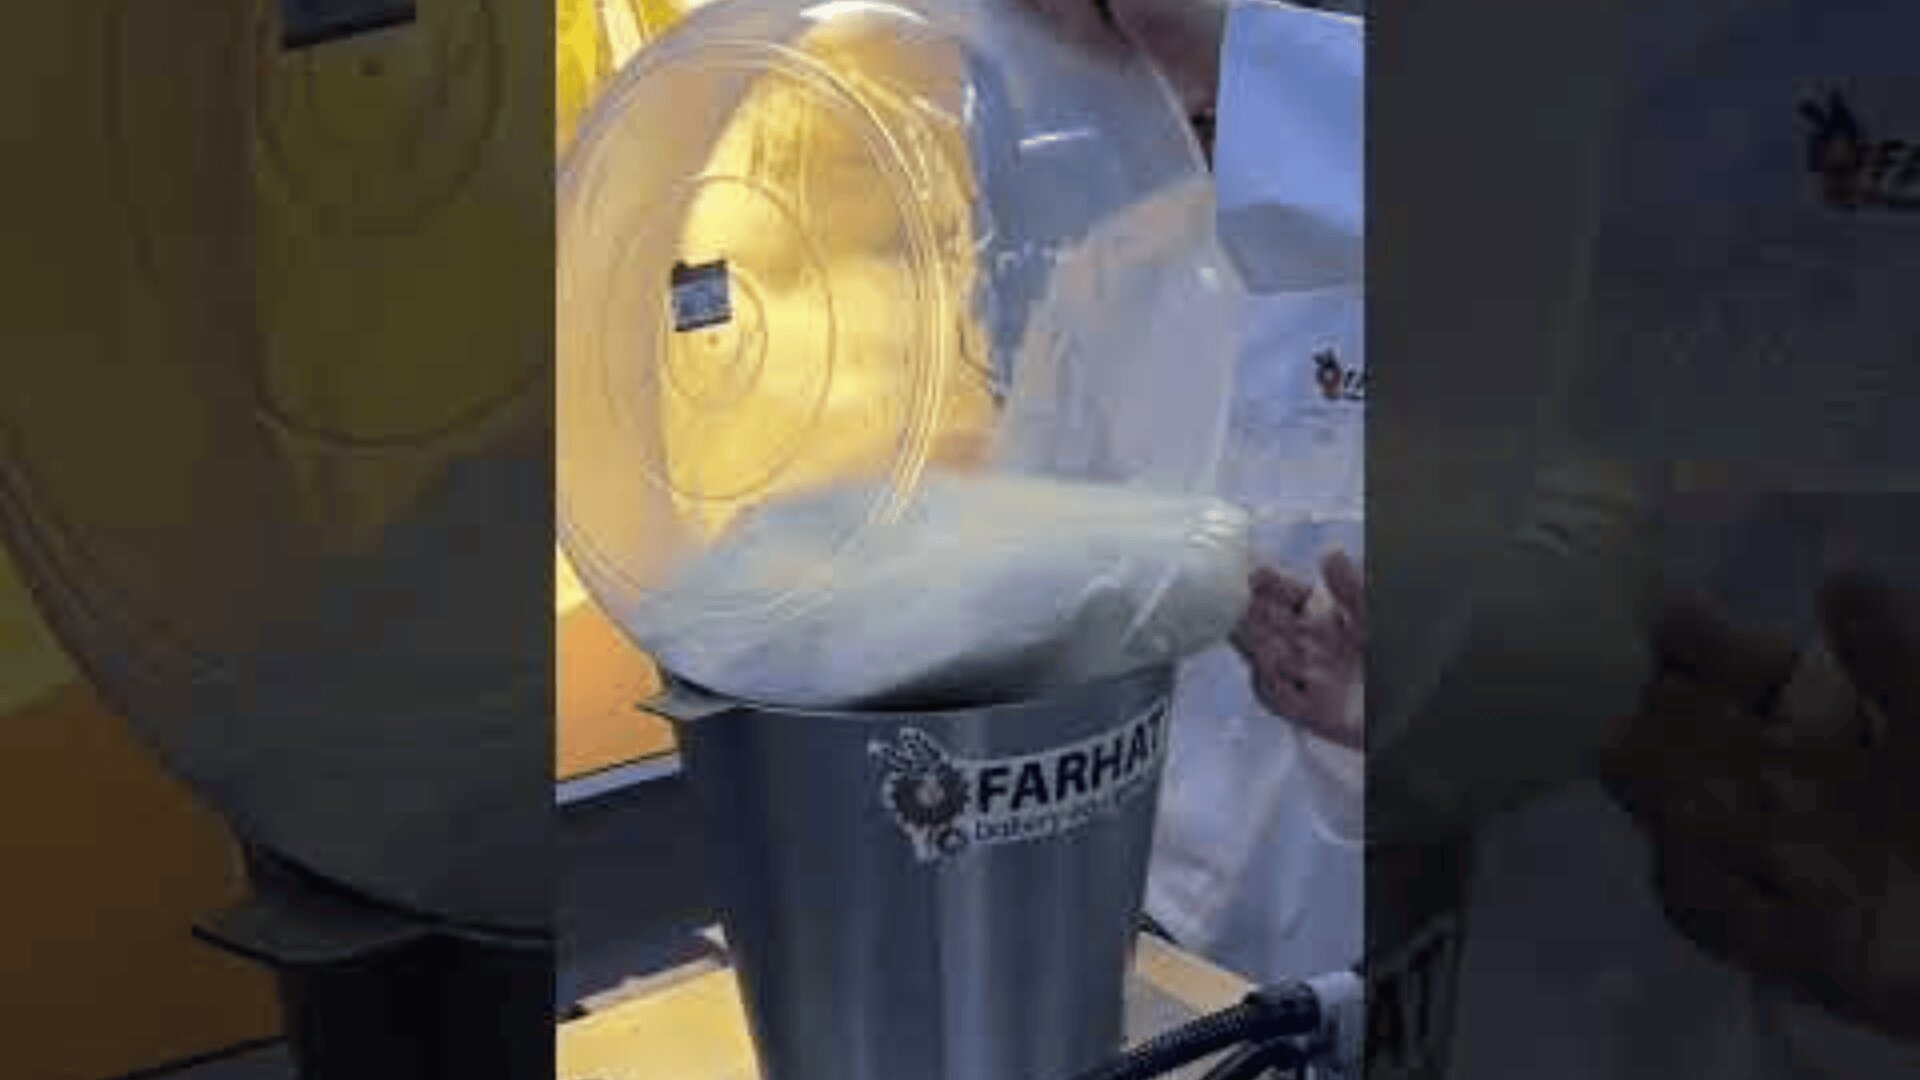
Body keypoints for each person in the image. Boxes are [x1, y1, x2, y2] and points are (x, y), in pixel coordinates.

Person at [1026, 0, 1367, 992]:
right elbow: (1038, 560)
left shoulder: (1451, 252)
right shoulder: (1111, 271)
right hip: (1138, 885)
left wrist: (1362, 724)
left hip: (1342, 897)